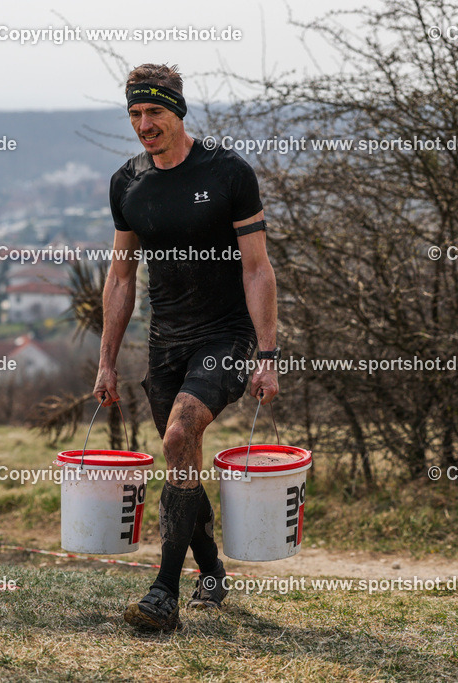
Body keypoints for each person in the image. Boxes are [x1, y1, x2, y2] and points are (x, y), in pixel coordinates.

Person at [94, 63, 280, 631]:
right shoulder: (127, 182)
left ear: (177, 111)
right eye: (135, 114)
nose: (144, 124)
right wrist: (105, 360)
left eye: (154, 112)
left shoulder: (228, 173)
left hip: (225, 335)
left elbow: (257, 268)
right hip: (165, 341)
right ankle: (212, 569)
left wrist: (267, 354)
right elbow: (122, 276)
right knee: (183, 461)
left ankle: (162, 593)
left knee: (179, 435)